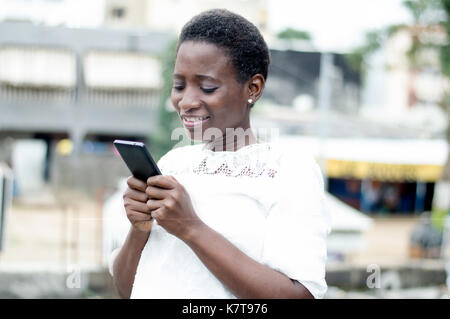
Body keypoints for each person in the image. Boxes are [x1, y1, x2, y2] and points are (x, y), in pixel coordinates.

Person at [110, 9, 330, 299]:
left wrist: (190, 228)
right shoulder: (173, 164)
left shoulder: (288, 170)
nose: (186, 101)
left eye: (207, 87)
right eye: (178, 85)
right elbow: (129, 290)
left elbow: (298, 295)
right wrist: (139, 228)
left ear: (253, 88)